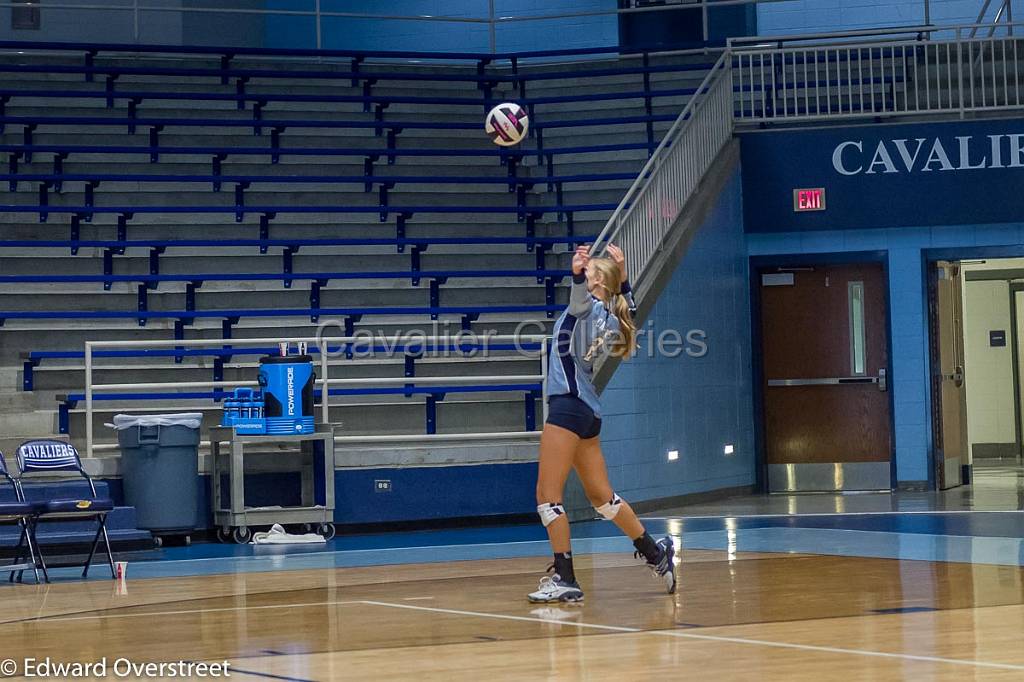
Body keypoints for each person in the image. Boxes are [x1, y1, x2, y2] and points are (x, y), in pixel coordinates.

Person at [528, 243, 675, 603]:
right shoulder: (612, 319)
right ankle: (656, 554)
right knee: (603, 500)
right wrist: (622, 279)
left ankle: (566, 580)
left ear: (595, 282)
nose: (585, 271)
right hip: (588, 412)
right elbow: (632, 310)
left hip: (567, 407)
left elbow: (578, 299)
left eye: (591, 270)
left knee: (548, 499)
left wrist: (577, 273)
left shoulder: (585, 308)